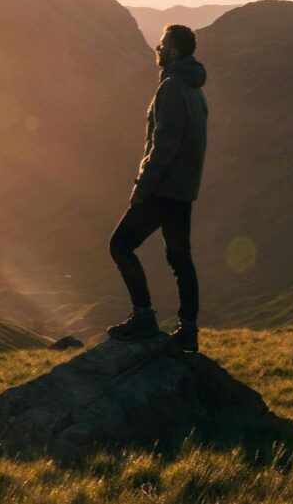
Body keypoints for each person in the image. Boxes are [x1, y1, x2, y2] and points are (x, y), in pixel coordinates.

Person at [107, 23, 209, 352]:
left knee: (120, 244)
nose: (158, 48)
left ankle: (143, 316)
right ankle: (189, 329)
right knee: (181, 259)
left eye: (163, 44)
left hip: (163, 189)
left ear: (175, 50)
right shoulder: (196, 90)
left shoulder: (172, 88)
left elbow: (163, 146)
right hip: (183, 192)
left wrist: (143, 186)